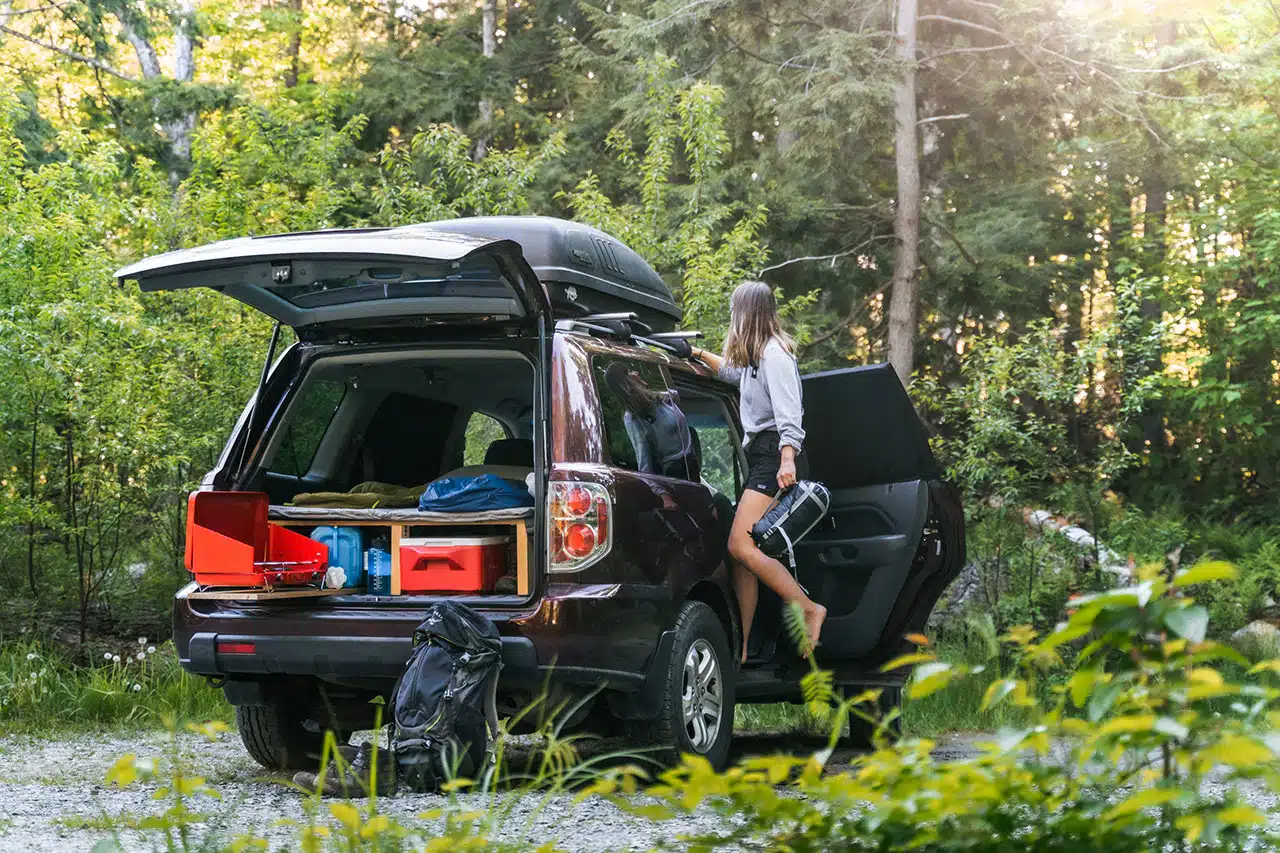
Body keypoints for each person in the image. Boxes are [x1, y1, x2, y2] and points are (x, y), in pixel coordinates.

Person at [692, 280, 826, 662]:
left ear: (746, 313)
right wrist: (696, 352)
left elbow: (790, 416)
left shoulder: (775, 356)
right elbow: (729, 374)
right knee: (744, 555)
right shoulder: (754, 361)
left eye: (735, 311)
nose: (732, 318)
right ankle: (744, 647)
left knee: (738, 545)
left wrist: (787, 460)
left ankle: (809, 607)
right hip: (763, 457)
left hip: (773, 456)